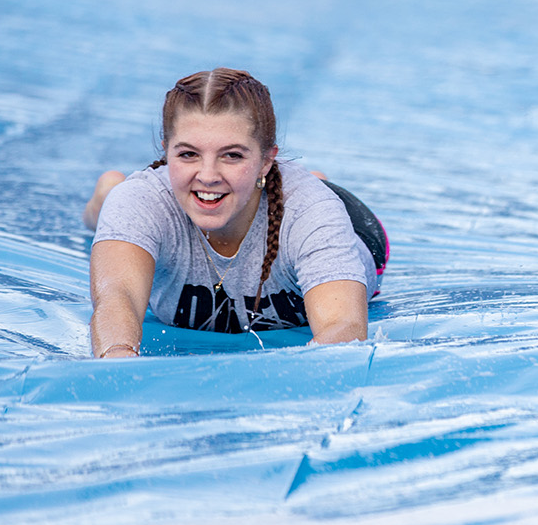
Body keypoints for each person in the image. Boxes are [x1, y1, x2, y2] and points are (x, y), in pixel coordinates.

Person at [84, 68, 388, 358]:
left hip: (339, 221)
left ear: (267, 161)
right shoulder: (142, 202)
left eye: (232, 155)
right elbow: (116, 298)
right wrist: (118, 357)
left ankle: (315, 180)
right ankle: (107, 195)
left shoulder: (312, 213)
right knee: (119, 204)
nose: (208, 174)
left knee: (311, 202)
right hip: (233, 196)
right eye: (188, 154)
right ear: (166, 153)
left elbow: (343, 327)